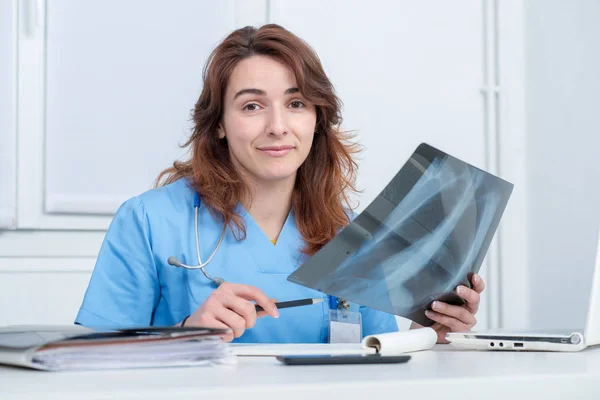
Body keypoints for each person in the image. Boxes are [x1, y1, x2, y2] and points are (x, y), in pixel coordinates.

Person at [75, 24, 484, 344]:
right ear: (218, 124)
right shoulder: (149, 221)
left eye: (296, 104)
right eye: (252, 106)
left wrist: (433, 335)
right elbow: (92, 363)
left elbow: (377, 358)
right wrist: (186, 332)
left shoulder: (352, 234)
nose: (277, 127)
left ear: (317, 119)